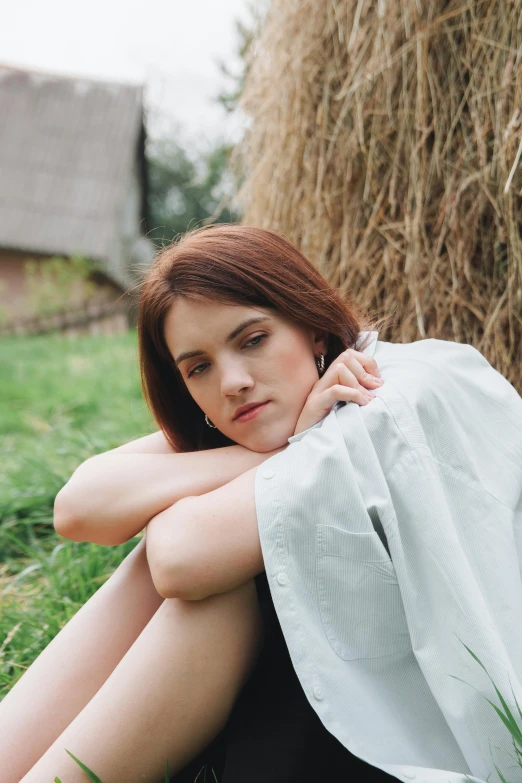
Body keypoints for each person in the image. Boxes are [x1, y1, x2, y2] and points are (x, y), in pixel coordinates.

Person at [0, 223, 392, 783]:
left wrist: (304, 444)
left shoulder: (368, 397)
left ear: (314, 330)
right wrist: (291, 446)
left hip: (355, 729)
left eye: (253, 340)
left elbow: (180, 560)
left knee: (208, 583)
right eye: (198, 367)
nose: (232, 382)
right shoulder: (279, 423)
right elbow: (77, 507)